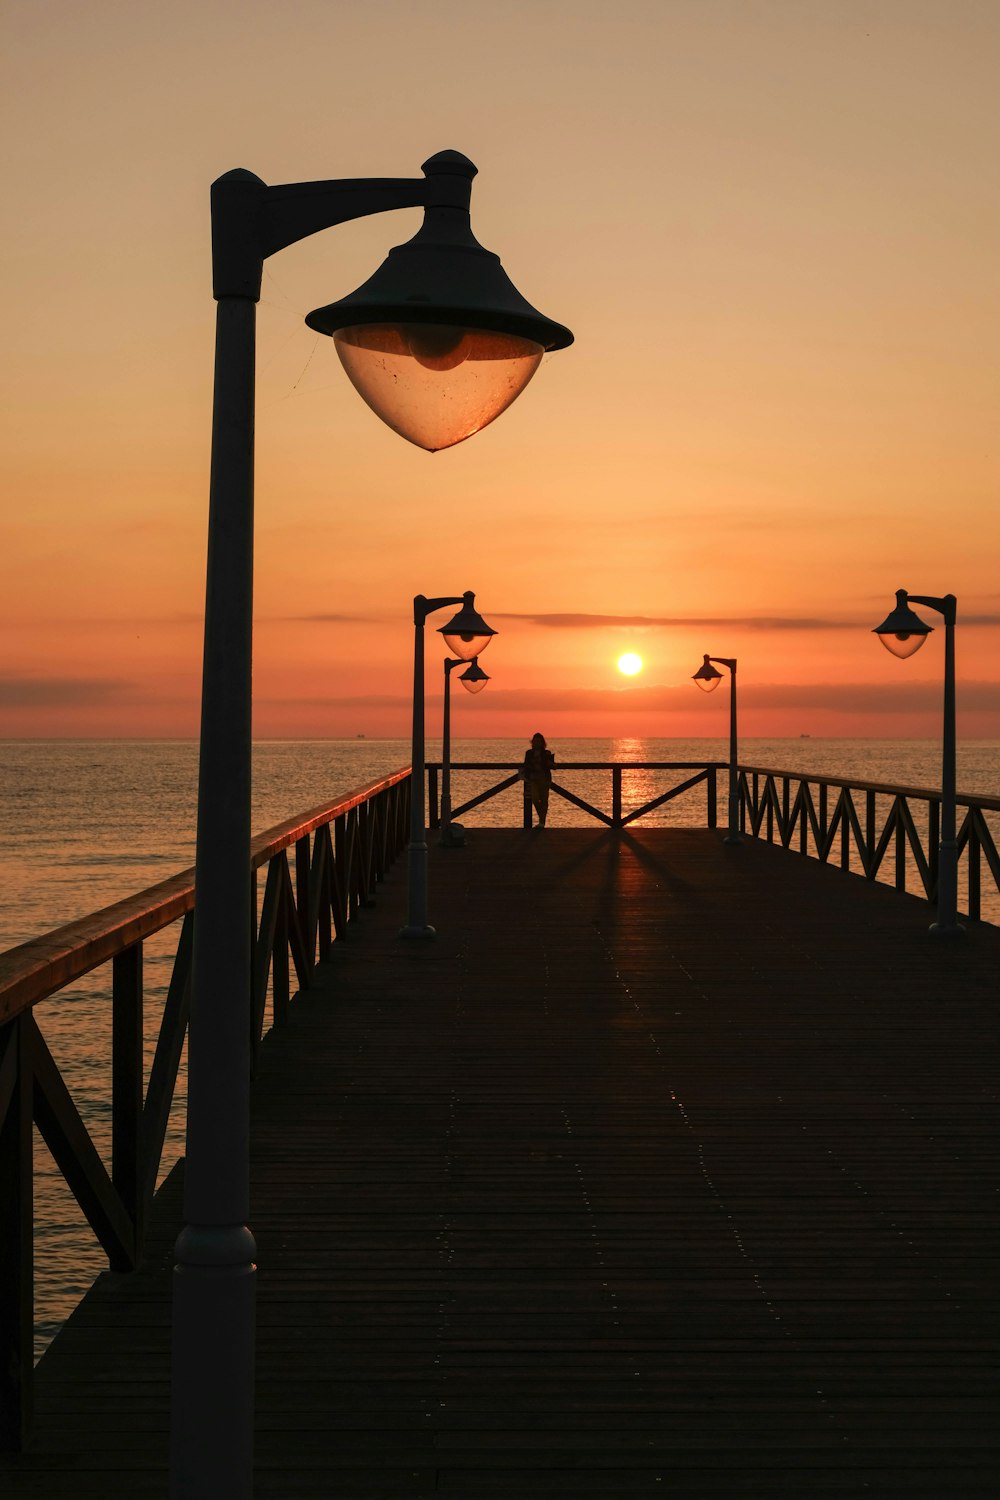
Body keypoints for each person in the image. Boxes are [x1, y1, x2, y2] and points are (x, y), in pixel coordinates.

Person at [521, 732, 555, 828]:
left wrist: (551, 764)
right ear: (532, 742)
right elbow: (526, 765)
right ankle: (542, 818)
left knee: (544, 800)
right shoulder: (529, 753)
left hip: (544, 778)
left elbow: (553, 766)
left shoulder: (546, 753)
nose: (537, 743)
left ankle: (542, 823)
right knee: (535, 799)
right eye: (535, 741)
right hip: (533, 779)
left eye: (539, 741)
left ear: (542, 743)